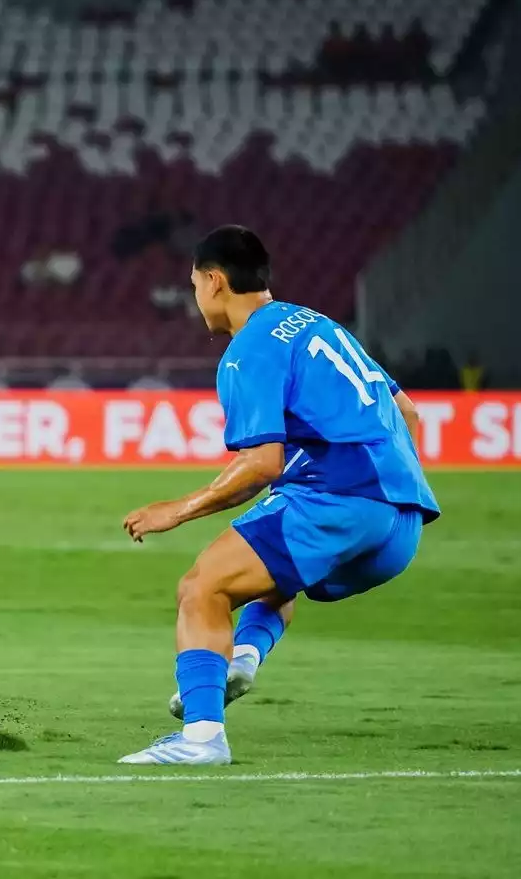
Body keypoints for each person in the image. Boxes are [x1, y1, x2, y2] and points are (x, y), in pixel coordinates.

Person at [117, 226, 440, 765]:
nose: (196, 297)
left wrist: (178, 509)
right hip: (402, 521)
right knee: (273, 570)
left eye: (194, 284)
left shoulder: (248, 352)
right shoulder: (320, 324)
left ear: (214, 282)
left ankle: (201, 740)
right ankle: (242, 655)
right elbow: (408, 412)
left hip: (337, 499)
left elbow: (262, 463)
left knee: (202, 587)